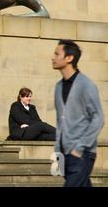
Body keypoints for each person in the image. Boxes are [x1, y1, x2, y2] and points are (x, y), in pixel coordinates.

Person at [52, 39, 105, 187]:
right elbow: (59, 120)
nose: (53, 57)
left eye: (57, 54)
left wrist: (80, 148)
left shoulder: (85, 84)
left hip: (81, 154)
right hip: (64, 154)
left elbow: (98, 118)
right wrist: (58, 149)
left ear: (69, 58)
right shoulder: (58, 86)